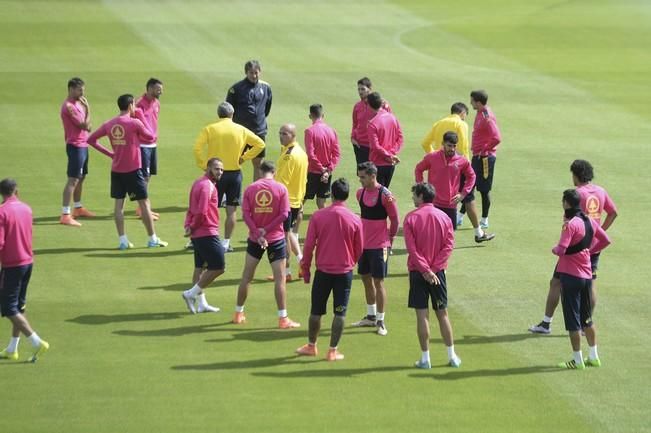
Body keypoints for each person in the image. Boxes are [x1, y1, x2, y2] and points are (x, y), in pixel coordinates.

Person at [529, 160, 618, 334]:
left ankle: (546, 323)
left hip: (574, 249)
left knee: (556, 282)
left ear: (576, 175)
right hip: (594, 248)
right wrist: (597, 232)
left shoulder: (575, 194)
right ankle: (586, 324)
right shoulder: (601, 191)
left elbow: (567, 221)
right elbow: (613, 213)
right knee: (590, 284)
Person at [87, 94, 168, 249]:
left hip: (117, 170)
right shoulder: (134, 123)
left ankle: (123, 241)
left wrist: (111, 154)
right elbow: (151, 137)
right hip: (133, 170)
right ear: (131, 105)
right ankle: (152, 239)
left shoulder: (109, 124)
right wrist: (140, 117)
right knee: (144, 204)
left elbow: (91, 140)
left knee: (118, 206)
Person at [296, 178, 363, 361]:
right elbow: (359, 248)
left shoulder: (318, 216)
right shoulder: (355, 219)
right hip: (344, 273)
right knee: (340, 312)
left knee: (316, 311)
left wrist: (306, 269)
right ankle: (332, 350)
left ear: (332, 194)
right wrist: (350, 262)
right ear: (347, 196)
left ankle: (311, 346)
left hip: (323, 272)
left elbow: (309, 246)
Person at [233, 160, 300, 329]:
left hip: (255, 240)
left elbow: (246, 214)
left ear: (260, 172)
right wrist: (267, 230)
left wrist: (257, 232)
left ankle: (238, 313)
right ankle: (283, 318)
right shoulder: (281, 189)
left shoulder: (250, 188)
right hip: (276, 239)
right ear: (274, 172)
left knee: (247, 277)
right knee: (280, 280)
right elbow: (285, 214)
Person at [193, 101, 265, 252]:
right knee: (231, 210)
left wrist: (204, 165)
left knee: (207, 208)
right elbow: (260, 144)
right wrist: (244, 157)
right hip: (234, 173)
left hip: (215, 174)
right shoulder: (241, 129)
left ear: (218, 114)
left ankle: (204, 239)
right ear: (232, 114)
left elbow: (197, 148)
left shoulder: (210, 129)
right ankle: (226, 242)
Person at [404, 183, 460, 369]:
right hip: (438, 274)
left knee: (422, 316)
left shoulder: (411, 218)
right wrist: (434, 269)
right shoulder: (445, 218)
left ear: (421, 196)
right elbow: (448, 246)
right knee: (442, 314)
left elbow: (412, 249)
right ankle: (452, 356)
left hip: (418, 273)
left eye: (414, 195)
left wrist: (425, 270)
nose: (413, 198)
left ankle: (425, 359)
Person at [553, 189, 610, 369]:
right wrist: (590, 249)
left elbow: (561, 249)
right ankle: (593, 356)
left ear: (566, 203)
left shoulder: (570, 224)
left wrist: (554, 250)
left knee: (573, 322)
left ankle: (577, 360)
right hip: (586, 276)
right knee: (587, 319)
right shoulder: (590, 221)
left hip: (570, 276)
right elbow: (605, 240)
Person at [0, 179, 49, 362]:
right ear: (16, 191)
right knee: (19, 306)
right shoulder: (26, 208)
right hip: (28, 261)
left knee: (8, 307)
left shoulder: (2, 212)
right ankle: (13, 348)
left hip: (12, 265)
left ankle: (36, 342)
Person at [414, 131, 495, 243]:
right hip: (433, 203)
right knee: (431, 234)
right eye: (449, 146)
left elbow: (472, 176)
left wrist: (463, 194)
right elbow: (419, 169)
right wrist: (421, 186)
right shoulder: (432, 157)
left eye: (454, 146)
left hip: (450, 204)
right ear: (443, 143)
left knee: (448, 237)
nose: (452, 149)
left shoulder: (462, 160)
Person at [351, 162, 399, 336]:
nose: (360, 180)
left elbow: (394, 220)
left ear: (373, 176)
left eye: (363, 177)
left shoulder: (386, 196)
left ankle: (381, 320)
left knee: (378, 282)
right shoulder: (360, 193)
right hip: (364, 245)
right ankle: (370, 316)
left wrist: (390, 239)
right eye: (359, 177)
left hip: (380, 246)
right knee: (365, 278)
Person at [181, 158, 226, 314]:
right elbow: (201, 212)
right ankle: (190, 294)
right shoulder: (207, 186)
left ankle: (202, 303)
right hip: (207, 232)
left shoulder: (198, 183)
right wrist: (192, 226)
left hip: (197, 234)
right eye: (216, 168)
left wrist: (188, 226)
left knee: (199, 268)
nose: (219, 172)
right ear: (208, 168)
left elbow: (190, 209)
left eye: (221, 169)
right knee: (219, 266)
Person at [421, 102, 472, 227]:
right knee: (470, 199)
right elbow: (464, 147)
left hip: (439, 182)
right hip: (456, 169)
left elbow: (425, 143)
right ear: (463, 113)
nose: (452, 148)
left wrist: (433, 157)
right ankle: (478, 229)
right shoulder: (461, 124)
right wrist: (465, 163)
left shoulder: (439, 123)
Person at [226, 60, 272, 182]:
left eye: (256, 73)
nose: (254, 75)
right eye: (251, 73)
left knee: (258, 163)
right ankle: (232, 193)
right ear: (246, 72)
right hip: (241, 132)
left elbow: (266, 109)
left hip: (259, 132)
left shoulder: (266, 87)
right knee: (235, 162)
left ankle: (255, 192)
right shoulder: (236, 89)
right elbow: (229, 109)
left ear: (260, 72)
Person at [274, 123, 308, 282]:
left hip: (286, 202)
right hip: (295, 200)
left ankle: (286, 272)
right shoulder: (300, 152)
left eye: (285, 134)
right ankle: (302, 261)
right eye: (280, 133)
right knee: (290, 234)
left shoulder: (290, 155)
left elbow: (281, 182)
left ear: (293, 135)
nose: (281, 136)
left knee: (283, 237)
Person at [59, 77, 94, 227]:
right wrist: (88, 110)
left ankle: (78, 208)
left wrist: (86, 115)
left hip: (83, 144)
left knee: (81, 177)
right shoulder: (69, 106)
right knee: (73, 179)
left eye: (83, 90)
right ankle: (65, 214)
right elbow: (84, 125)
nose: (82, 93)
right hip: (75, 145)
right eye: (80, 90)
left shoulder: (78, 104)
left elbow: (89, 127)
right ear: (71, 89)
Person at [469, 90, 502, 229]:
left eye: (472, 101)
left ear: (478, 102)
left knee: (483, 189)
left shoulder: (487, 117)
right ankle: (462, 214)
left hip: (485, 158)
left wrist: (485, 149)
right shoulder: (480, 113)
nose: (470, 103)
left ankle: (484, 218)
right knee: (470, 184)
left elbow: (497, 138)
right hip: (477, 155)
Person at [134, 78, 163, 221]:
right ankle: (142, 208)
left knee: (148, 175)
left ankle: (143, 207)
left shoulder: (157, 103)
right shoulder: (139, 104)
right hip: (142, 144)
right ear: (150, 88)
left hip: (152, 144)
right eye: (158, 89)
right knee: (143, 177)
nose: (161, 92)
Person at [304, 103, 340, 209]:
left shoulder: (309, 131)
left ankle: (292, 222)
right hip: (327, 174)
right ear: (323, 115)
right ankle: (325, 222)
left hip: (313, 172)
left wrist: (321, 169)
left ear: (310, 116)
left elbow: (311, 154)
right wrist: (328, 170)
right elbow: (337, 154)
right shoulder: (332, 131)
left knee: (301, 199)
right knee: (321, 202)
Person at [351, 77, 391, 165]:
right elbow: (355, 124)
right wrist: (353, 138)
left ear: (370, 89)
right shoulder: (357, 106)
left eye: (363, 89)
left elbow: (389, 124)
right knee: (363, 175)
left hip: (376, 147)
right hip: (360, 146)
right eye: (358, 89)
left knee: (375, 174)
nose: (360, 92)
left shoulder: (382, 105)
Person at [367, 92, 403, 188]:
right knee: (385, 192)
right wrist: (392, 154)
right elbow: (400, 138)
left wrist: (388, 155)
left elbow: (375, 146)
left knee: (377, 195)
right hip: (391, 164)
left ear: (369, 105)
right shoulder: (393, 118)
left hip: (377, 164)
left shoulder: (372, 124)